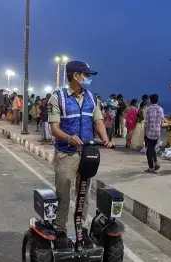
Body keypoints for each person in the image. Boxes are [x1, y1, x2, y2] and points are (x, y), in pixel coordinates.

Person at [48, 60, 113, 247]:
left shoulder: (91, 98)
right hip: (66, 154)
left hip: (87, 154)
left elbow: (99, 121)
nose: (88, 78)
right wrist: (68, 138)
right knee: (63, 194)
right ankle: (60, 230)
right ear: (76, 76)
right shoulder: (57, 97)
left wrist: (105, 138)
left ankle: (80, 229)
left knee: (83, 194)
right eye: (85, 75)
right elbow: (54, 129)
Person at [144, 94, 164, 173]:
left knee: (149, 150)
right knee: (151, 149)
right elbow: (162, 121)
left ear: (151, 100)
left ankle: (153, 165)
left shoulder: (148, 109)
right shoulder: (161, 109)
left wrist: (145, 133)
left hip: (150, 132)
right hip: (157, 132)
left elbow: (146, 123)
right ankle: (153, 165)